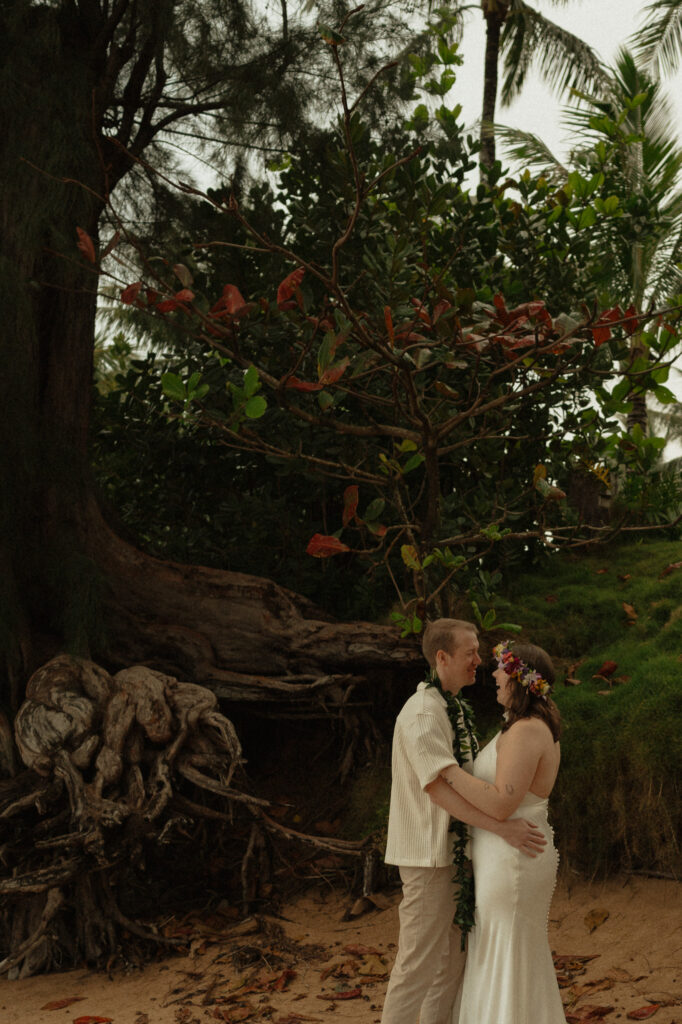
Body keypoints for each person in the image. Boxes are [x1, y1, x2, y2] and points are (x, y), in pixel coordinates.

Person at [381, 620, 547, 1024]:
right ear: (442, 657)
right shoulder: (423, 713)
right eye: (470, 652)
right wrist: (502, 828)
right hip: (428, 859)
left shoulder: (452, 707)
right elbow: (438, 788)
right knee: (416, 966)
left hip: (456, 856)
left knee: (451, 966)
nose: (479, 660)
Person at [434, 639, 565, 1024]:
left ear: (519, 678)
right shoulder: (521, 726)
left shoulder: (527, 730)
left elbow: (501, 804)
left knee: (507, 955)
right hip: (505, 856)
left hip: (514, 861)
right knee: (501, 952)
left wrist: (449, 771)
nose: (492, 674)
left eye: (500, 669)